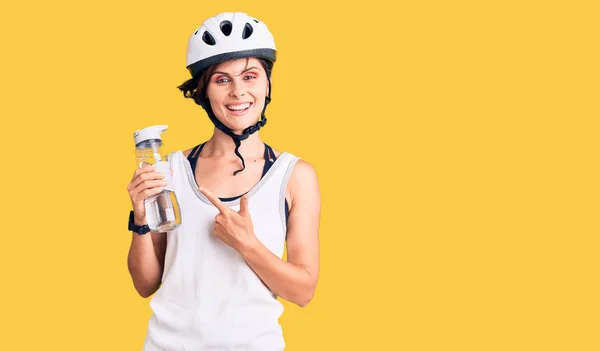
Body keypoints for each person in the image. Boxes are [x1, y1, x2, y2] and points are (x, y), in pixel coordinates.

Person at [125, 12, 321, 351]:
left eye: (250, 76)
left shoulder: (295, 176)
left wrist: (247, 244)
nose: (238, 92)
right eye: (222, 80)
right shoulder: (170, 169)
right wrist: (140, 218)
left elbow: (303, 292)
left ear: (267, 84)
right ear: (203, 91)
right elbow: (145, 284)